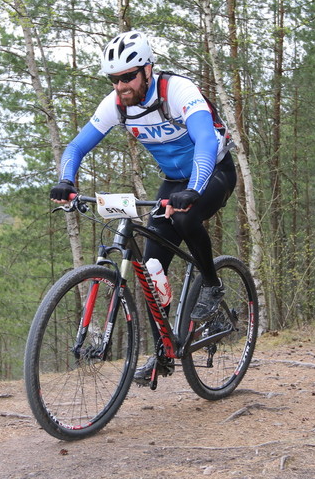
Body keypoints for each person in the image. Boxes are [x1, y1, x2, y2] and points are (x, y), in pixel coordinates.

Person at [49, 30, 237, 385]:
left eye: (127, 77)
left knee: (184, 218)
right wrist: (67, 181)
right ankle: (163, 354)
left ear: (148, 70)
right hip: (173, 181)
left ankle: (212, 284)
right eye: (114, 79)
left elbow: (205, 142)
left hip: (213, 172)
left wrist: (194, 189)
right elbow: (75, 147)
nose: (120, 86)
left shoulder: (178, 92)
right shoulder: (117, 104)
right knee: (151, 268)